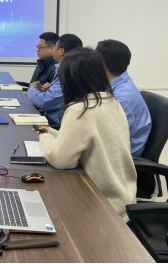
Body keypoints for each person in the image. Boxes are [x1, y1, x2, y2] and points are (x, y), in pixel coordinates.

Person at [34, 47, 137, 221]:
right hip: (122, 199)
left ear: (70, 79)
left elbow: (60, 159)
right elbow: (90, 141)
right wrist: (53, 132)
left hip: (102, 207)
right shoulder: (112, 102)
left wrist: (44, 138)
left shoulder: (82, 109)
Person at [96, 39, 152, 157]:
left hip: (123, 156)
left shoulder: (120, 99)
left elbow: (109, 140)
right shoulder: (118, 82)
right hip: (117, 146)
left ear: (101, 63)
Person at [27, 34, 83, 126]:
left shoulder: (68, 73)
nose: (52, 49)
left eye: (55, 46)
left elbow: (44, 101)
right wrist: (46, 90)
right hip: (49, 119)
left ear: (61, 51)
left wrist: (31, 89)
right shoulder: (62, 69)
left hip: (54, 125)